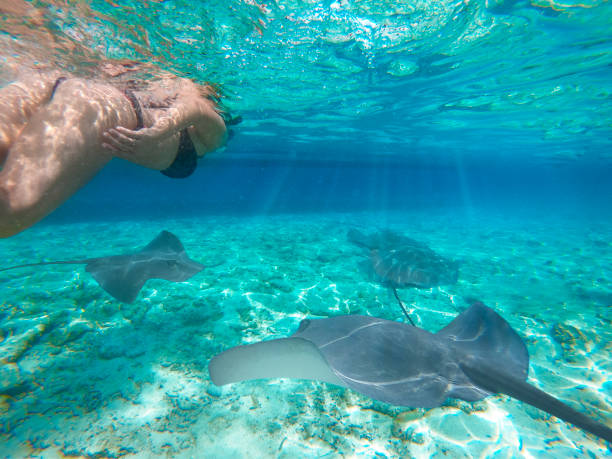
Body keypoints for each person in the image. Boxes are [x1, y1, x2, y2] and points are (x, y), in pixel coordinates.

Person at [0, 64, 227, 238]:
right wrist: (156, 134)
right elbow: (195, 107)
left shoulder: (189, 124)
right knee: (9, 212)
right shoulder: (212, 137)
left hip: (50, 82)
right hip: (105, 105)